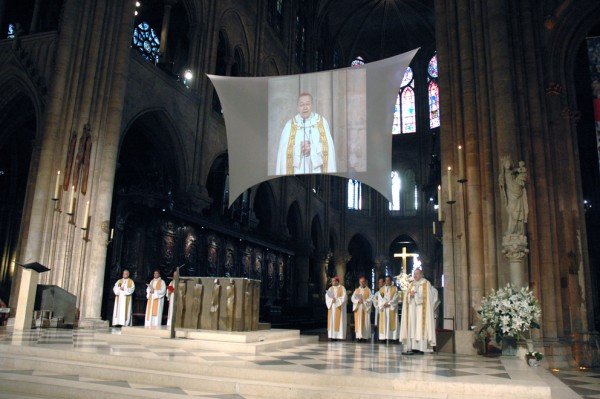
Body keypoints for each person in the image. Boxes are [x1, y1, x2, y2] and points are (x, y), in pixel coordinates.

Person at [275, 92, 336, 175]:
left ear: (312, 105)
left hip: (317, 170)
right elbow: (283, 152)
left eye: (307, 104)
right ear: (297, 107)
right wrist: (299, 149)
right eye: (301, 105)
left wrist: (312, 149)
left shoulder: (321, 122)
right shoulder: (290, 125)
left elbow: (328, 148)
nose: (305, 107)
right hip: (297, 171)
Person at [400, 268, 438, 354]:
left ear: (421, 275)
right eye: (414, 274)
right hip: (412, 310)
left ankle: (421, 348)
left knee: (420, 327)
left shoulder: (426, 284)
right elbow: (406, 297)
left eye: (417, 274)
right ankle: (413, 347)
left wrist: (416, 296)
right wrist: (410, 295)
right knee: (413, 327)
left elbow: (427, 298)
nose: (415, 275)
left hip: (421, 310)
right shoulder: (411, 285)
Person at [377, 276, 399, 343]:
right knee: (384, 323)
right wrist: (384, 304)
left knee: (391, 322)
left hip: (391, 308)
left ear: (391, 281)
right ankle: (383, 338)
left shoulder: (395, 289)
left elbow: (395, 298)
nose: (387, 281)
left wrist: (389, 303)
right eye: (386, 280)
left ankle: (393, 338)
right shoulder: (381, 289)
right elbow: (380, 298)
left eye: (388, 280)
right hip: (384, 309)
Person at [325, 276, 347, 341]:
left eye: (333, 281)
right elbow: (327, 297)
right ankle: (332, 336)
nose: (332, 282)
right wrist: (331, 300)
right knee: (332, 321)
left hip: (339, 308)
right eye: (332, 281)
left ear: (337, 281)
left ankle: (339, 336)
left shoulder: (342, 288)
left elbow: (344, 297)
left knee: (339, 321)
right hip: (332, 307)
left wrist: (336, 300)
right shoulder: (330, 288)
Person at [351, 276, 372, 342]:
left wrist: (364, 301)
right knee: (359, 322)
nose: (362, 283)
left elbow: (371, 299)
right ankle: (359, 337)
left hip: (365, 308)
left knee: (365, 323)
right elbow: (352, 298)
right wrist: (358, 301)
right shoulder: (356, 290)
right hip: (359, 309)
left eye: (363, 281)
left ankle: (365, 337)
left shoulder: (368, 290)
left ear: (365, 282)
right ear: (359, 282)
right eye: (361, 281)